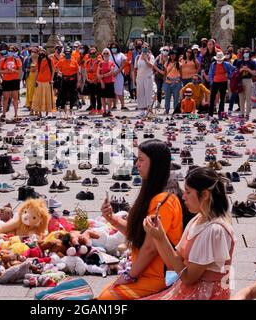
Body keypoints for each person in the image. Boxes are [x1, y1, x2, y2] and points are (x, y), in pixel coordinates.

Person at [98, 140, 183, 300]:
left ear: (156, 164)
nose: (137, 164)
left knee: (106, 298)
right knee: (106, 294)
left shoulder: (163, 200)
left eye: (141, 159)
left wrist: (130, 275)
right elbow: (140, 235)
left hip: (159, 278)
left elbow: (150, 248)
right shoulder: (155, 193)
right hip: (147, 273)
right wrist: (113, 219)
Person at [142, 167, 234, 300]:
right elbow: (173, 264)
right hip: (190, 290)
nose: (183, 197)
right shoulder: (198, 219)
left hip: (205, 295)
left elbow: (188, 278)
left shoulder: (214, 230)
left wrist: (161, 237)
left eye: (188, 192)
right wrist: (158, 237)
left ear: (205, 195)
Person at [208, 51, 236, 118]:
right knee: (212, 98)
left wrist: (229, 75)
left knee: (222, 98)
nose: (219, 60)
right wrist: (211, 81)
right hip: (215, 82)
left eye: (220, 59)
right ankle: (210, 114)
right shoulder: (213, 64)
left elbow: (234, 69)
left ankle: (220, 113)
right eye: (218, 59)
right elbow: (210, 73)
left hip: (223, 82)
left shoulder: (226, 64)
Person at [0, 46, 22, 120]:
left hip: (15, 80)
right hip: (6, 80)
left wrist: (14, 71)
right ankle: (4, 113)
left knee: (15, 97)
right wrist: (6, 71)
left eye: (12, 51)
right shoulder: (3, 60)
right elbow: (0, 71)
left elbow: (20, 71)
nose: (10, 52)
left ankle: (16, 113)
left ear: (15, 52)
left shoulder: (17, 60)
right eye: (9, 50)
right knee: (5, 97)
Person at [56, 47, 80, 117]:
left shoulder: (74, 61)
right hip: (65, 79)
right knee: (63, 94)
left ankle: (71, 109)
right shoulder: (62, 61)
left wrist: (78, 81)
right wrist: (59, 73)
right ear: (64, 54)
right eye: (66, 53)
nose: (67, 54)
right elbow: (56, 67)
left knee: (72, 95)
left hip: (73, 80)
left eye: (69, 53)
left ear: (71, 53)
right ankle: (63, 109)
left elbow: (78, 72)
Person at [235, 48, 256, 119]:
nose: (246, 53)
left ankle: (247, 113)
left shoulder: (252, 62)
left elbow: (254, 73)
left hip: (249, 80)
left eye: (247, 52)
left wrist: (248, 69)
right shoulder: (239, 62)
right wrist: (242, 69)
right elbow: (236, 72)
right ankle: (241, 113)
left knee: (248, 97)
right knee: (241, 97)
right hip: (240, 81)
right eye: (244, 52)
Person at [134, 43, 155, 115]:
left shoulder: (151, 56)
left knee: (148, 93)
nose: (144, 48)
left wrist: (146, 60)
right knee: (140, 93)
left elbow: (151, 66)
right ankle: (142, 110)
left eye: (146, 47)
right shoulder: (137, 57)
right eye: (143, 47)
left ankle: (149, 110)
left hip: (148, 77)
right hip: (139, 78)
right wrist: (134, 79)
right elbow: (135, 68)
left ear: (149, 48)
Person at [97, 48, 116, 117]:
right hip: (102, 82)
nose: (105, 55)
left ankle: (109, 111)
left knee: (110, 97)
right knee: (103, 97)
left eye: (107, 53)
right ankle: (104, 111)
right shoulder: (100, 63)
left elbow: (111, 72)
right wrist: (101, 81)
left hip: (110, 81)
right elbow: (98, 74)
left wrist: (103, 75)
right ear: (102, 54)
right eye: (104, 53)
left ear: (109, 54)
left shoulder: (111, 63)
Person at [83, 46, 102, 114]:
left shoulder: (100, 61)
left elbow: (100, 72)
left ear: (96, 53)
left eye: (94, 53)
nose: (92, 54)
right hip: (90, 81)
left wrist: (95, 79)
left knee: (99, 95)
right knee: (92, 95)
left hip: (97, 81)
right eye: (91, 53)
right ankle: (93, 108)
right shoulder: (87, 62)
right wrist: (87, 79)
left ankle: (99, 109)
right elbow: (85, 71)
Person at [163, 50, 182, 115]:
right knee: (167, 97)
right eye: (171, 55)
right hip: (167, 82)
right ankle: (167, 109)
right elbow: (165, 73)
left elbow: (181, 74)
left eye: (173, 55)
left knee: (176, 97)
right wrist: (164, 82)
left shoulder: (179, 63)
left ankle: (175, 110)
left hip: (176, 83)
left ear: (176, 56)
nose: (172, 56)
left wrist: (179, 81)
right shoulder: (166, 63)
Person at [109, 43, 127, 110]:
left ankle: (123, 105)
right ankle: (114, 105)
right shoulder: (109, 55)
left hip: (119, 75)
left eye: (115, 47)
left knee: (120, 89)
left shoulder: (121, 55)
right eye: (112, 47)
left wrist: (117, 72)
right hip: (111, 75)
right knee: (113, 90)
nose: (113, 49)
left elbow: (123, 65)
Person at [24, 47, 38, 113]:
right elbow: (24, 68)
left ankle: (37, 110)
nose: (33, 53)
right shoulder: (27, 59)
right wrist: (30, 69)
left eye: (35, 52)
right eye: (32, 52)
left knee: (37, 94)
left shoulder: (40, 59)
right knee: (30, 93)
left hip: (38, 78)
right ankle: (31, 109)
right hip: (29, 78)